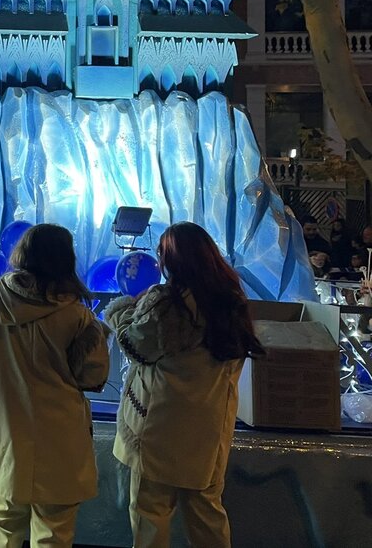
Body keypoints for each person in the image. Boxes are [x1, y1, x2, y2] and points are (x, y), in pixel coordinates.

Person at [105, 222, 264, 548]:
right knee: (207, 518)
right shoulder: (231, 304)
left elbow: (135, 344)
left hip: (160, 432)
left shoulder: (168, 307)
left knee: (150, 517)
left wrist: (122, 310)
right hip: (209, 434)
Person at [0, 223, 110, 548]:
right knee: (54, 532)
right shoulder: (78, 317)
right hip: (60, 440)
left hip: (4, 436)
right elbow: (92, 376)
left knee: (1, 526)